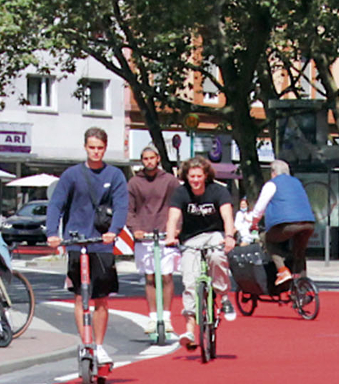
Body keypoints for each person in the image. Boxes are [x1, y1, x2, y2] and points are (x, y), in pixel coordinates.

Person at [45, 127, 128, 367]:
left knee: (101, 298)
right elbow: (56, 205)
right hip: (76, 242)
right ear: (85, 147)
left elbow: (121, 205)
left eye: (100, 148)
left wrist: (114, 230)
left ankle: (99, 345)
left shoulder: (115, 175)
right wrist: (52, 233)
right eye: (92, 147)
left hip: (102, 243)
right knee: (80, 296)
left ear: (105, 147)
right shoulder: (72, 175)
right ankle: (86, 344)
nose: (96, 152)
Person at [164, 156, 237, 350]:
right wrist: (171, 236)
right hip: (191, 239)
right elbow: (173, 218)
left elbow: (227, 215)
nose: (195, 180)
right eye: (191, 176)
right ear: (186, 177)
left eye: (199, 176)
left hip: (215, 234)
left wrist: (229, 236)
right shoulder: (180, 193)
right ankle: (189, 328)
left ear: (205, 176)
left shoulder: (218, 191)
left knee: (216, 256)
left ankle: (223, 296)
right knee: (189, 280)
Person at [127, 145, 181, 335]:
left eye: (152, 158)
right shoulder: (134, 183)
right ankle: (152, 318)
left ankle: (166, 317)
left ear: (158, 158)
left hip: (166, 234)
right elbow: (129, 210)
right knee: (149, 277)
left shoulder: (170, 181)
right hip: (145, 235)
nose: (149, 162)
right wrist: (135, 229)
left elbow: (179, 204)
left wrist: (176, 229)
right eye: (145, 159)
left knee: (166, 276)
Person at [249, 160, 316, 285]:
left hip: (287, 224)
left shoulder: (272, 184)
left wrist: (254, 223)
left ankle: (282, 270)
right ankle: (302, 286)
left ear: (273, 173)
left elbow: (259, 208)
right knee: (299, 252)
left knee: (267, 239)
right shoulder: (297, 183)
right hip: (308, 223)